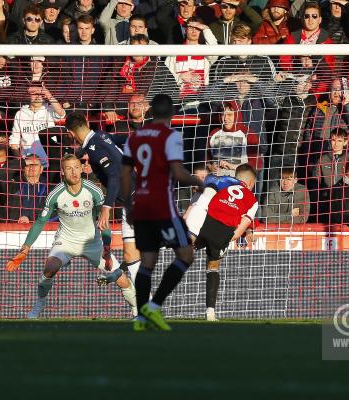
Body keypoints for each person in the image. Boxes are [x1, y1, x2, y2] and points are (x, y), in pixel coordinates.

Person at [5, 154, 137, 318]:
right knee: (49, 268)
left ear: (82, 169)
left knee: (122, 280)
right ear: (62, 172)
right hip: (66, 241)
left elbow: (104, 222)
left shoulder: (93, 190)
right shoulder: (55, 194)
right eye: (68, 168)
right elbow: (40, 222)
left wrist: (107, 249)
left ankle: (136, 311)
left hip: (92, 242)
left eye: (76, 167)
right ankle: (38, 305)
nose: (73, 172)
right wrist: (25, 249)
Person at [121, 93, 204, 331]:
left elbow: (125, 174)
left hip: (142, 205)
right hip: (163, 207)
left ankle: (140, 318)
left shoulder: (134, 138)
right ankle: (154, 306)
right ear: (169, 114)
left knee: (147, 262)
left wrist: (128, 206)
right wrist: (197, 182)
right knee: (186, 255)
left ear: (150, 112)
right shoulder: (171, 136)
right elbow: (177, 173)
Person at [64, 111, 140, 293]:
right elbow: (124, 141)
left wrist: (106, 208)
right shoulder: (100, 135)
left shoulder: (94, 148)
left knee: (139, 251)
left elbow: (114, 175)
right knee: (131, 254)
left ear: (71, 133)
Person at [187, 164, 258, 321]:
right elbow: (239, 230)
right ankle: (210, 313)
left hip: (203, 217)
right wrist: (223, 241)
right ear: (251, 183)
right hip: (223, 229)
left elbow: (199, 199)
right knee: (213, 265)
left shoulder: (220, 180)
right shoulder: (253, 200)